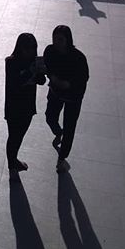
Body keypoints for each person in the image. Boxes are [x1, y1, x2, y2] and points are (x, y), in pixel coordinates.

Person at [43, 25, 89, 173]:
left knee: (69, 127)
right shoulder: (50, 51)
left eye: (61, 39)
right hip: (56, 92)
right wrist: (52, 77)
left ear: (68, 40)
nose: (57, 42)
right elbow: (47, 67)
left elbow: (83, 78)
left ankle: (62, 158)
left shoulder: (78, 58)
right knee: (50, 117)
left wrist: (67, 84)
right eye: (55, 39)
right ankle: (58, 132)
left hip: (73, 97)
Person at [5, 33, 46, 173]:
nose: (30, 51)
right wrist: (31, 72)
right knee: (13, 137)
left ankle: (13, 160)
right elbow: (16, 83)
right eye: (27, 48)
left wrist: (41, 73)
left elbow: (41, 81)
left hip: (27, 106)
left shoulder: (34, 61)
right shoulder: (11, 62)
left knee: (19, 136)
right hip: (14, 107)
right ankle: (12, 165)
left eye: (33, 48)